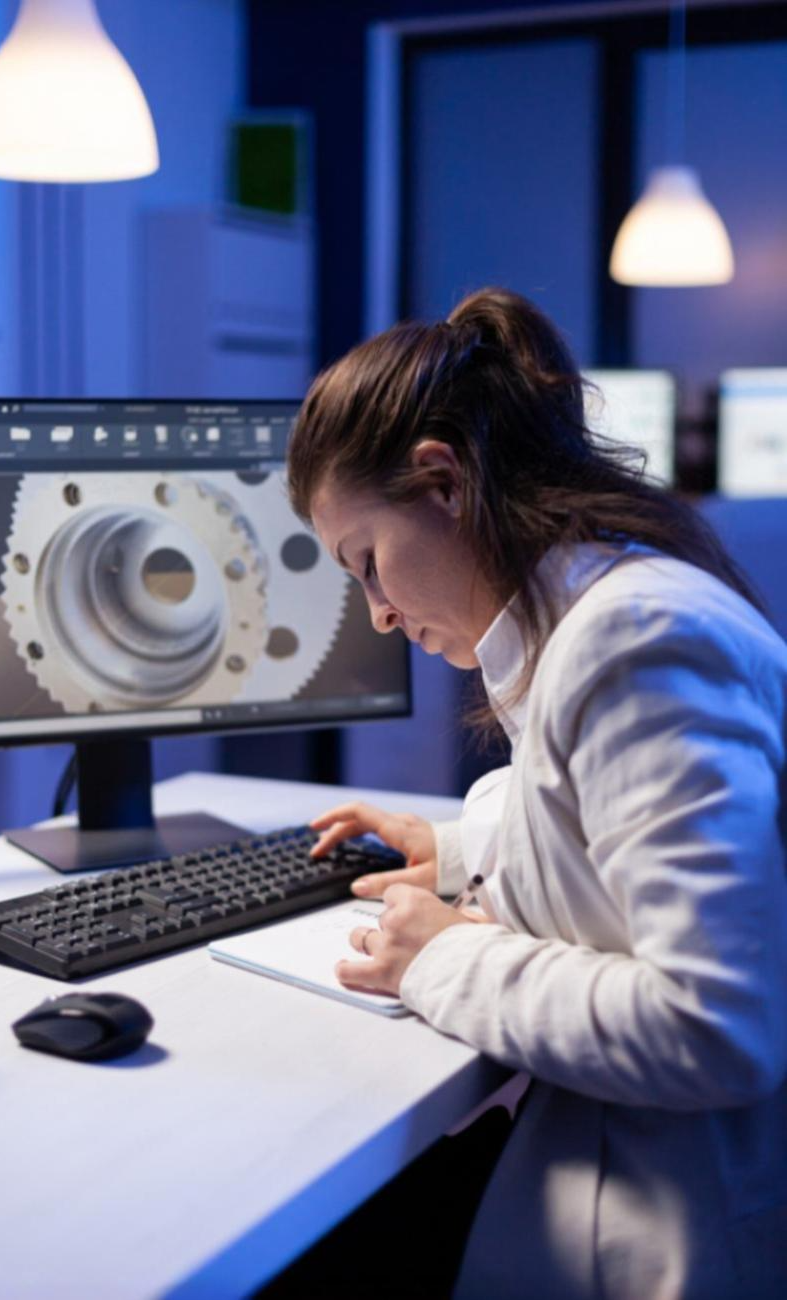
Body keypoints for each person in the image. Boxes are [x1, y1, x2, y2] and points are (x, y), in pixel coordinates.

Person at [285, 288, 787, 1299]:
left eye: (367, 563)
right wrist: (458, 848)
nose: (378, 614)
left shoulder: (635, 638)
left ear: (442, 480)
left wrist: (443, 958)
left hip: (677, 1236)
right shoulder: (607, 601)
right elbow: (594, 810)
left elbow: (717, 1028)